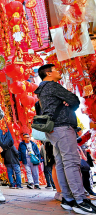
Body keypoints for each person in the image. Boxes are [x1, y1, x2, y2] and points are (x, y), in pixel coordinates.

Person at [34, 64, 96, 214]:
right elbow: (74, 99)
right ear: (48, 73)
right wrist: (68, 101)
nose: (59, 71)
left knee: (61, 163)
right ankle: (80, 200)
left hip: (54, 129)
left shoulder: (42, 88)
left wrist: (66, 102)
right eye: (56, 70)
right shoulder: (52, 85)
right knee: (71, 162)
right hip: (62, 126)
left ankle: (68, 198)